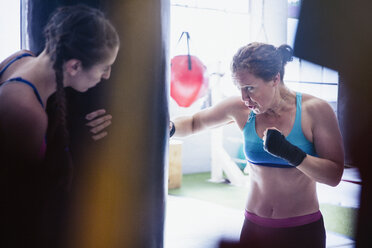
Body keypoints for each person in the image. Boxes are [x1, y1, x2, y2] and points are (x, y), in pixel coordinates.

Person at [169, 42, 344, 248]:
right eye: (239, 88)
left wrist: (291, 153)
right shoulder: (241, 109)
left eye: (250, 88)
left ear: (275, 79)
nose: (244, 97)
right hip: (254, 228)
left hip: (301, 231)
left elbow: (333, 175)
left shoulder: (315, 110)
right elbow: (194, 122)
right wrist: (168, 127)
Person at [0, 4, 119, 247]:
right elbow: (19, 209)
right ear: (74, 66)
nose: (106, 76)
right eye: (104, 67)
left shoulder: (20, 58)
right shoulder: (25, 113)